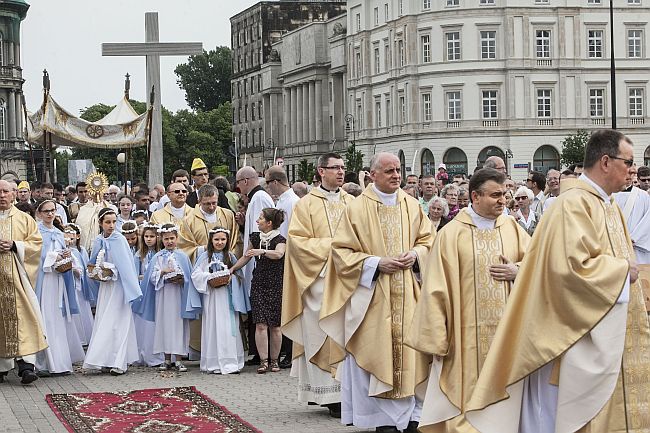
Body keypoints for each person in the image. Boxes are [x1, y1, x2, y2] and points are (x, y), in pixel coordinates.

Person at [465, 129, 650, 432]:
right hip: (571, 339)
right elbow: (568, 269)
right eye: (628, 162)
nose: (633, 170)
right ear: (605, 162)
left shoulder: (610, 204)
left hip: (605, 334)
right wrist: (621, 272)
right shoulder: (572, 205)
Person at [406, 168, 530, 432]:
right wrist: (437, 336)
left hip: (507, 332)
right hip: (464, 338)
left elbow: (537, 263)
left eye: (505, 194)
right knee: (464, 394)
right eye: (495, 195)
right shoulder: (452, 234)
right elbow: (435, 288)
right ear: (475, 196)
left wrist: (517, 270)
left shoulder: (512, 228)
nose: (503, 200)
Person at [319, 153, 434, 433]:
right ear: (373, 175)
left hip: (408, 293)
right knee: (373, 352)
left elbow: (428, 239)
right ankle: (380, 418)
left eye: (399, 170)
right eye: (389, 171)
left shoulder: (411, 205)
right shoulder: (357, 208)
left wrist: (416, 255)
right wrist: (376, 263)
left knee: (411, 354)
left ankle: (412, 417)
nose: (396, 175)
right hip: (372, 297)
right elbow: (341, 252)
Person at [282, 152, 354, 417]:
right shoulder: (305, 205)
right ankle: (330, 395)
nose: (341, 172)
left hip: (349, 280)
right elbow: (297, 243)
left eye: (343, 167)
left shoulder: (353, 202)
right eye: (335, 168)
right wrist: (334, 247)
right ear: (321, 171)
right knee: (323, 333)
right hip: (320, 280)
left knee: (349, 335)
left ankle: (350, 392)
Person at [83, 208, 141, 376]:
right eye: (107, 222)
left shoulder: (120, 239)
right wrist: (95, 272)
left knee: (120, 322)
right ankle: (104, 360)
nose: (111, 225)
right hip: (106, 287)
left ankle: (119, 362)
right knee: (105, 321)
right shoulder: (98, 240)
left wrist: (112, 270)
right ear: (101, 223)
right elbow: (92, 262)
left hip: (119, 287)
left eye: (114, 222)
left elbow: (126, 266)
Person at [137, 224, 201, 372]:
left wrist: (182, 280)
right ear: (161, 239)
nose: (170, 241)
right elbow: (151, 277)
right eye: (166, 239)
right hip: (163, 296)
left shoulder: (183, 257)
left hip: (178, 296)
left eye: (172, 238)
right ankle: (166, 359)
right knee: (164, 326)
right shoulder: (158, 257)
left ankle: (178, 359)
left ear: (177, 238)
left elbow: (189, 277)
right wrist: (162, 273)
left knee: (178, 326)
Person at [0, 179, 45, 384]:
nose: (2, 195)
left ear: (14, 194)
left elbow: (36, 244)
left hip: (18, 278)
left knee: (24, 316)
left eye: (6, 191)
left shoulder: (24, 219)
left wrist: (15, 245)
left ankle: (26, 366)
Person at [231, 208, 286, 374]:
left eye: (261, 218)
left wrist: (262, 251)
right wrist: (232, 269)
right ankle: (263, 361)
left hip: (276, 284)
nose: (257, 221)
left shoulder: (280, 239)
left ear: (269, 223)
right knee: (260, 324)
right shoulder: (255, 238)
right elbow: (246, 257)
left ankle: (274, 361)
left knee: (275, 326)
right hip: (259, 283)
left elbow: (279, 254)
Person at [33, 200, 84, 375]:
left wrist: (65, 256)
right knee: (45, 317)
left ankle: (60, 362)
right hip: (45, 279)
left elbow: (63, 254)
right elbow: (34, 258)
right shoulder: (35, 232)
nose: (50, 214)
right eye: (46, 211)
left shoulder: (58, 233)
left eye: (52, 210)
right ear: (39, 213)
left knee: (58, 317)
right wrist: (51, 258)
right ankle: (43, 363)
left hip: (58, 280)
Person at [191, 227, 249, 374]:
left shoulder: (230, 257)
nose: (220, 242)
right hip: (211, 298)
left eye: (223, 239)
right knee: (213, 327)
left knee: (228, 329)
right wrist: (209, 278)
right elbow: (196, 275)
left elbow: (239, 275)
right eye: (216, 239)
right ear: (211, 240)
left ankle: (231, 363)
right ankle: (213, 363)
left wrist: (230, 278)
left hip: (227, 298)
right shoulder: (205, 257)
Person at [132, 223, 165, 367]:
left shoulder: (162, 254)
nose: (149, 239)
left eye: (152, 236)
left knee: (157, 321)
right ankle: (142, 351)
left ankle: (157, 354)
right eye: (146, 236)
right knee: (144, 323)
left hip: (158, 289)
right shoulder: (140, 255)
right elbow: (134, 273)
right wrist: (142, 278)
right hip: (144, 290)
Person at [64, 224, 95, 347]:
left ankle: (84, 336)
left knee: (81, 308)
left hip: (78, 285)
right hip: (68, 284)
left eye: (72, 236)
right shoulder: (65, 250)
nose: (69, 239)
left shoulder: (78, 251)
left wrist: (76, 271)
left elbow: (83, 267)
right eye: (66, 235)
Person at [614, 164, 650, 264]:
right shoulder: (610, 195)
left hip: (637, 248)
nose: (627, 176)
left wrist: (634, 239)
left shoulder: (643, 196)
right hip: (614, 245)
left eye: (631, 173)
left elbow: (648, 221)